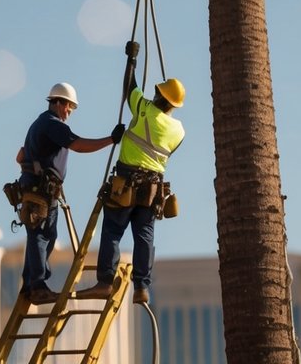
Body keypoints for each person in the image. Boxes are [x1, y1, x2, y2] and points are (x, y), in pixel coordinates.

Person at [79, 42, 186, 306]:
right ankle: (142, 287)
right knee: (144, 236)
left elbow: (129, 88)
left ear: (160, 97)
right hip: (152, 189)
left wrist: (132, 59)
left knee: (113, 230)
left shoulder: (145, 109)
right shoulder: (179, 130)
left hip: (126, 181)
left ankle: (105, 282)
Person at [16, 81, 124, 305]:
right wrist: (110, 140)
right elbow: (78, 145)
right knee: (42, 235)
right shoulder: (53, 124)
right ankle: (37, 287)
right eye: (68, 107)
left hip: (37, 188)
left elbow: (20, 156)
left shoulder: (39, 123)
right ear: (58, 102)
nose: (69, 112)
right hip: (41, 191)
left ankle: (30, 285)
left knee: (44, 235)